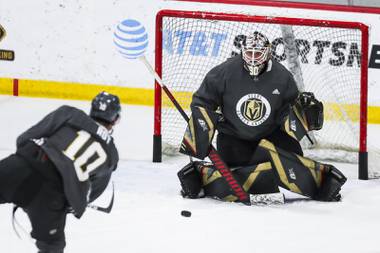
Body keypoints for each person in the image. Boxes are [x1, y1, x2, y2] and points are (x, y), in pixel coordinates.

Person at [177, 31, 347, 204]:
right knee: (240, 170)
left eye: (257, 53)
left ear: (267, 52)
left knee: (293, 159)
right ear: (242, 51)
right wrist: (202, 130)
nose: (252, 58)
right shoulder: (224, 72)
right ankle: (200, 177)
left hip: (270, 134)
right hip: (234, 137)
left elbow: (288, 111)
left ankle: (323, 183)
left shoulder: (282, 76)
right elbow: (202, 101)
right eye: (249, 53)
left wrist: (303, 114)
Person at [0, 91, 121, 252]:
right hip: (51, 196)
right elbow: (89, 195)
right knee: (53, 248)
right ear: (115, 119)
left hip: (23, 165)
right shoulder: (112, 154)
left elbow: (24, 138)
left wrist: (24, 165)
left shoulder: (70, 113)